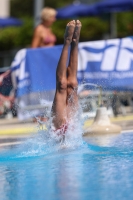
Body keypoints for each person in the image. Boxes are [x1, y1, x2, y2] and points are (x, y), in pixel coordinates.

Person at [50, 19, 82, 138]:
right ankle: (74, 41)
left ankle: (68, 41)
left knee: (62, 85)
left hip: (57, 130)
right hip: (70, 130)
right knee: (72, 84)